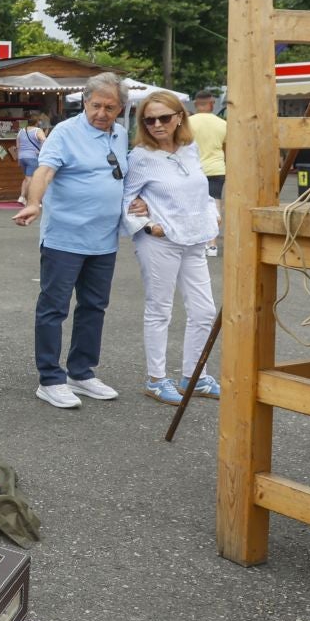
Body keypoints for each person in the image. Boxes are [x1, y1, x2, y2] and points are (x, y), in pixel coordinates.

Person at [13, 74, 128, 410]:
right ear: (85, 102)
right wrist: (34, 202)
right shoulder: (65, 132)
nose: (102, 113)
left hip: (104, 240)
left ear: (120, 108)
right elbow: (44, 171)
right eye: (97, 106)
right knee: (54, 308)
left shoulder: (120, 135)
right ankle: (50, 379)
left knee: (94, 307)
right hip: (64, 238)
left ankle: (81, 371)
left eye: (110, 107)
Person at [124, 91, 221, 406]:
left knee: (204, 311)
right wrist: (150, 226)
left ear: (180, 116)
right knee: (159, 309)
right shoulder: (141, 156)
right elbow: (125, 199)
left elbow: (200, 191)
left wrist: (211, 217)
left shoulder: (189, 150)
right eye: (149, 119)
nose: (156, 124)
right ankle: (156, 379)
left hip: (194, 239)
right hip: (159, 242)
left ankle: (195, 376)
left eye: (164, 117)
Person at [188, 90, 227, 257]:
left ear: (196, 104)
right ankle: (212, 245)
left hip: (194, 170)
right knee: (215, 206)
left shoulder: (187, 123)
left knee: (194, 205)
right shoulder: (223, 123)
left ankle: (197, 242)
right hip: (217, 169)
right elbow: (227, 148)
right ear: (212, 104)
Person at [16, 115, 47, 205]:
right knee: (31, 179)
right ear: (37, 122)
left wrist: (18, 158)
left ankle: (22, 197)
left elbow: (18, 146)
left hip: (22, 157)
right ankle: (30, 200)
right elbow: (44, 140)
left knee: (26, 178)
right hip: (32, 157)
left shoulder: (21, 131)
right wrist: (40, 150)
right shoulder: (37, 130)